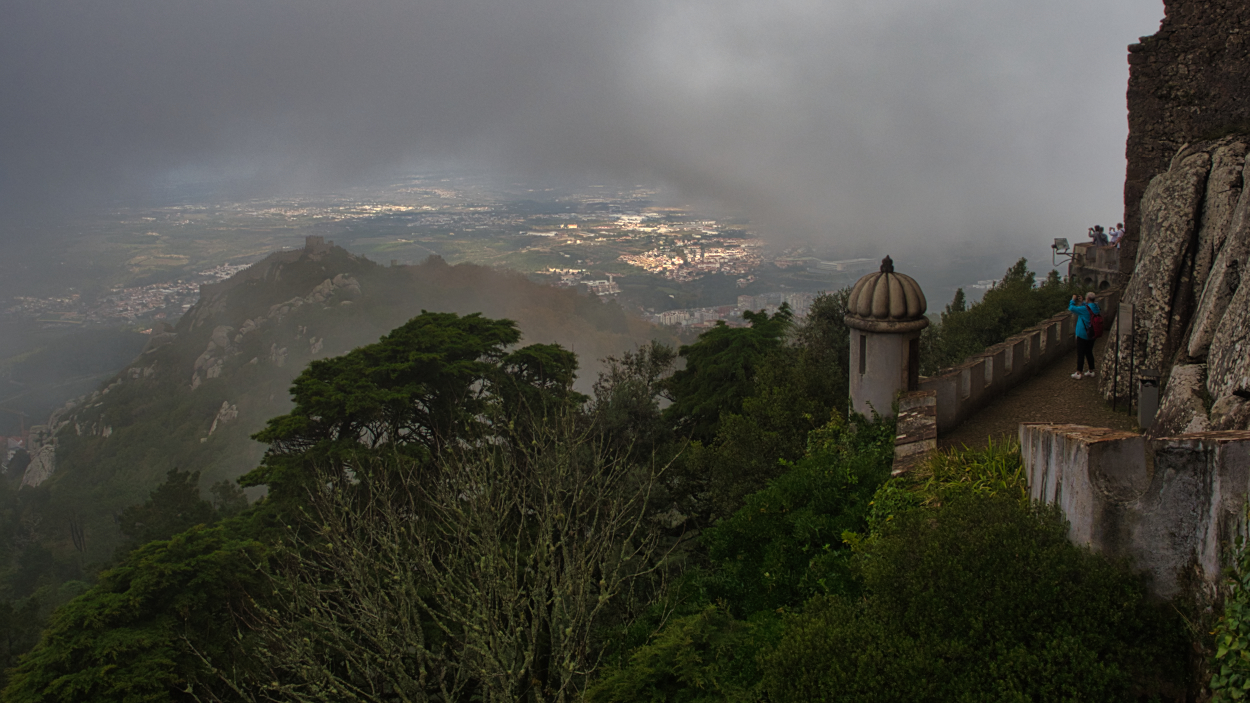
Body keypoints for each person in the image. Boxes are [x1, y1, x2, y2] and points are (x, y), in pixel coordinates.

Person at [1069, 291, 1100, 379]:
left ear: (1088, 298)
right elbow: (1088, 308)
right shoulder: (1096, 307)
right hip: (1093, 333)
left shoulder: (1084, 309)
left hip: (1083, 334)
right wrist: (1083, 302)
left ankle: (1079, 372)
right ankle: (1091, 370)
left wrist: (1073, 300)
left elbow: (1071, 308)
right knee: (1089, 352)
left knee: (1080, 353)